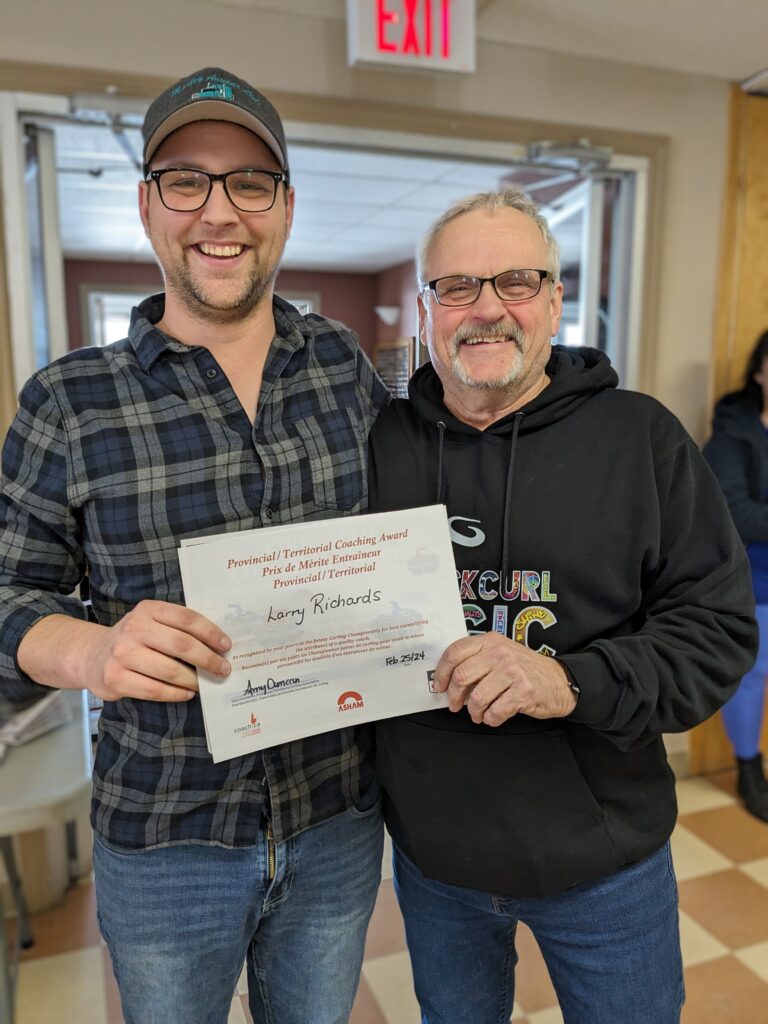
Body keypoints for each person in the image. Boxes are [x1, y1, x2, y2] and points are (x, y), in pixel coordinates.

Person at [0, 67, 389, 1024]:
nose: (220, 211)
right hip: (165, 833)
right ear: (146, 205)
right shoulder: (68, 402)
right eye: (186, 181)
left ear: (286, 207)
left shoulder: (344, 366)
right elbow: (10, 599)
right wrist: (94, 650)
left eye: (250, 182)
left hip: (338, 814)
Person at [368, 189, 757, 1024]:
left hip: (605, 858)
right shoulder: (380, 445)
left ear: (552, 301)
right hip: (435, 860)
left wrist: (568, 682)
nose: (486, 309)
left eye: (515, 281)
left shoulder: (642, 439)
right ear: (426, 311)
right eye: (457, 287)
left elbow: (717, 633)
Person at [703, 330, 768, 822]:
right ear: (760, 372)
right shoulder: (732, 435)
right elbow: (735, 513)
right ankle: (749, 768)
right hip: (757, 580)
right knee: (752, 677)